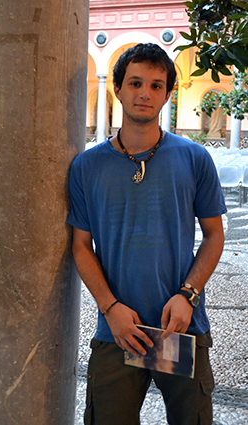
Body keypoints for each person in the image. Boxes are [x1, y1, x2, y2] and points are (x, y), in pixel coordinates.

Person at [67, 43, 226, 425]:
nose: (145, 93)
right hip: (119, 329)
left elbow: (214, 235)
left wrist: (188, 295)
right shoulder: (87, 167)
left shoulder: (193, 158)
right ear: (117, 88)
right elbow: (80, 247)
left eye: (157, 86)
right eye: (136, 83)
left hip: (178, 326)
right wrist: (110, 308)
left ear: (168, 93)